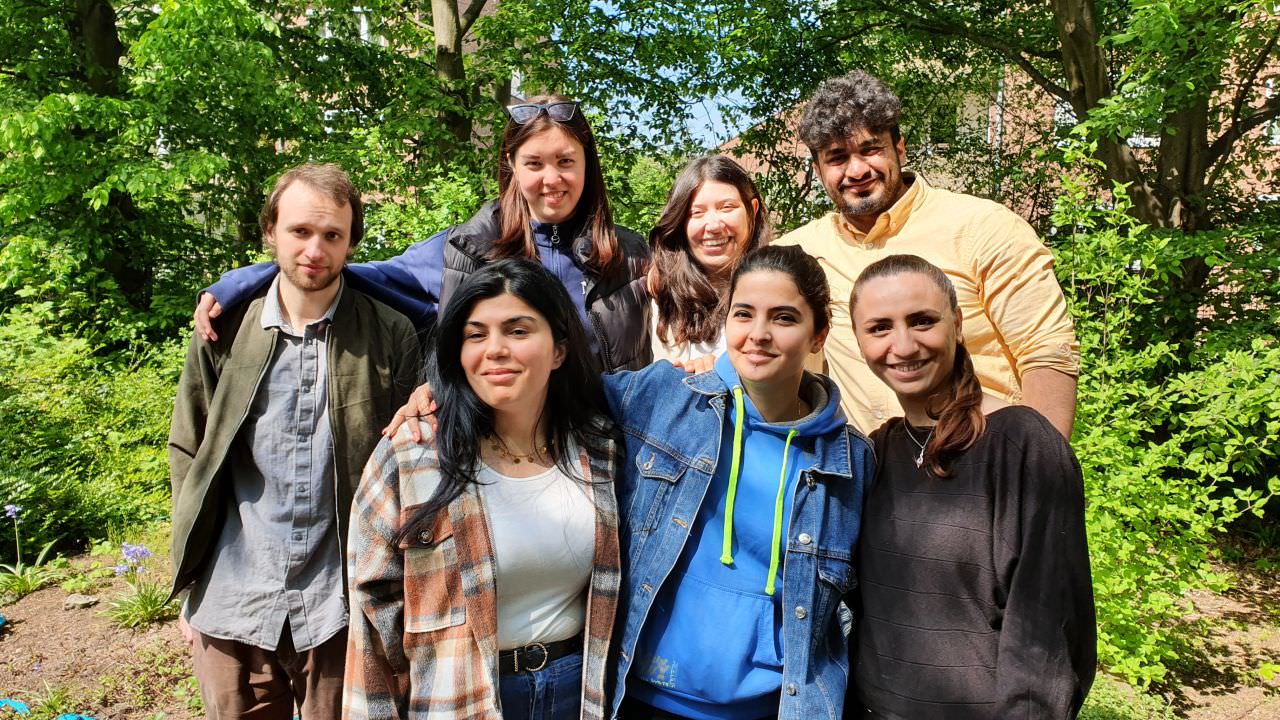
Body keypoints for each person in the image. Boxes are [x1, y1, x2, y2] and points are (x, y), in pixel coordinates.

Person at [167, 163, 419, 718]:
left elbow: (408, 470)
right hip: (233, 598)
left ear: (351, 242)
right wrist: (188, 580)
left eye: (332, 235)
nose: (315, 250)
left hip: (340, 607)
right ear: (271, 232)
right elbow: (189, 450)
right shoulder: (223, 329)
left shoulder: (391, 333)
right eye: (300, 231)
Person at [344, 259, 622, 720]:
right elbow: (371, 628)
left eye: (518, 331)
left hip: (579, 694)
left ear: (559, 350)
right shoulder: (413, 454)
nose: (494, 350)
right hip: (459, 699)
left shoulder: (601, 450)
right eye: (475, 335)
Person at [603, 245, 873, 720]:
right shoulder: (664, 398)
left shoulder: (848, 461)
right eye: (744, 314)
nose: (759, 334)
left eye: (784, 318)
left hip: (774, 708)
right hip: (639, 699)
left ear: (818, 334)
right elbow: (549, 395)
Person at [195, 95, 652, 373]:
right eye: (534, 163)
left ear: (587, 164)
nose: (551, 178)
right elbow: (343, 270)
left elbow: (691, 298)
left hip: (605, 460)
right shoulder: (464, 251)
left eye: (566, 161)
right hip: (499, 461)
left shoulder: (631, 257)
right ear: (512, 166)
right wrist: (245, 280)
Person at [848, 254, 1095, 718]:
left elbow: (1048, 637)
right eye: (880, 328)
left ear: (958, 324)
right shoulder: (878, 451)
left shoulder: (1021, 444)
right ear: (859, 342)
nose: (903, 345)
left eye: (922, 321)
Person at [774, 70, 1080, 438]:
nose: (856, 170)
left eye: (870, 149)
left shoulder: (983, 227)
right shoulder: (800, 255)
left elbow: (1046, 352)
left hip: (983, 455)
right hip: (871, 467)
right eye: (837, 158)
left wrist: (1041, 462)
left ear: (900, 148)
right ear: (818, 170)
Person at [647, 155, 770, 363]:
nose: (713, 226)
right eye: (696, 213)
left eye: (727, 207)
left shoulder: (786, 286)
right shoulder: (661, 295)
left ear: (753, 210)